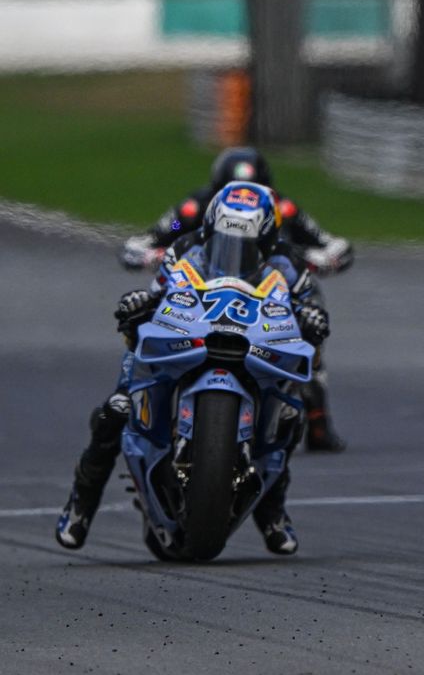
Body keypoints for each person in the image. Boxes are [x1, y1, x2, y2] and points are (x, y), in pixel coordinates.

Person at [56, 182, 332, 555]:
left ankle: (273, 513)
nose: (234, 253)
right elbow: (156, 295)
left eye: (246, 246)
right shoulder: (184, 248)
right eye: (225, 241)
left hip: (252, 346)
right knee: (117, 409)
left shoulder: (287, 264)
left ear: (266, 240)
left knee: (288, 414)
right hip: (187, 337)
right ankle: (80, 506)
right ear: (210, 230)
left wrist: (313, 317)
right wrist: (140, 302)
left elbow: (306, 306)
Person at [121, 146, 356, 448]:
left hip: (273, 285)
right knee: (148, 311)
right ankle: (148, 398)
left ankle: (316, 414)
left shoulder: (282, 210)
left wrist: (315, 259)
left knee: (312, 317)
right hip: (204, 284)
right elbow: (164, 232)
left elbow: (331, 244)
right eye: (234, 193)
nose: (243, 202)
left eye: (253, 192)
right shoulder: (196, 208)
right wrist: (154, 252)